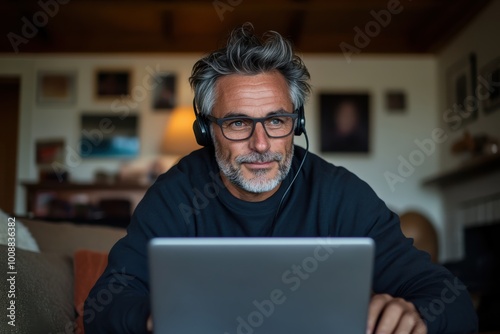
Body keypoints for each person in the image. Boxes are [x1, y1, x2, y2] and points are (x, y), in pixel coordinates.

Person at [85, 23, 478, 334]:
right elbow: (105, 304)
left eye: (276, 121)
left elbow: (452, 299)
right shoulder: (175, 195)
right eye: (238, 122)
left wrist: (418, 316)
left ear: (297, 123)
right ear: (206, 131)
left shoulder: (341, 195)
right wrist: (160, 316)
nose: (261, 143)